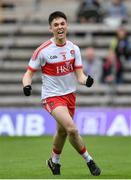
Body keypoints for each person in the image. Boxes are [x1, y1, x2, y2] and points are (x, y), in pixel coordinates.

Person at [22, 11, 101, 176]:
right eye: (56, 25)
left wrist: (87, 81)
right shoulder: (42, 51)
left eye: (62, 24)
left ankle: (54, 161)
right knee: (72, 129)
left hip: (70, 96)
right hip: (51, 96)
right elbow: (28, 73)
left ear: (67, 26)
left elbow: (79, 76)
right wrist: (27, 85)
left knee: (62, 131)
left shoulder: (74, 49)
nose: (60, 27)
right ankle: (89, 161)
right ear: (50, 29)